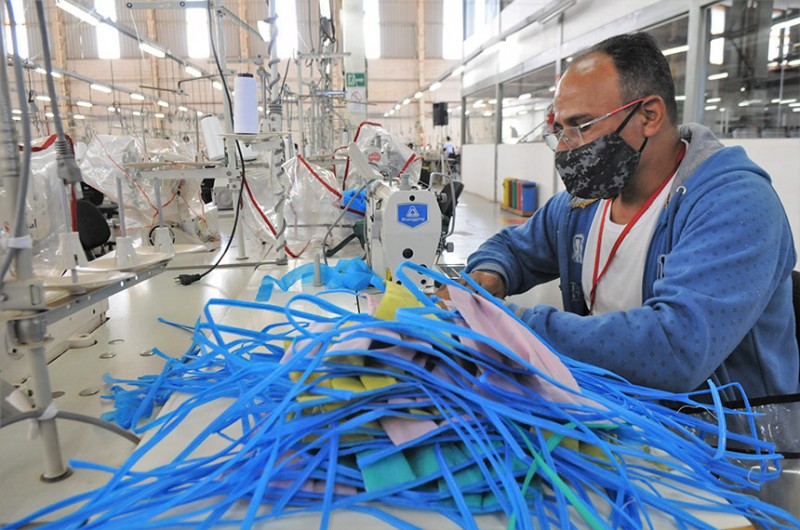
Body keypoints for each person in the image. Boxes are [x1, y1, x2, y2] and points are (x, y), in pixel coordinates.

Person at [439, 33, 799, 401]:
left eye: (581, 126)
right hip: (620, 406)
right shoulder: (585, 203)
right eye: (559, 131)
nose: (565, 147)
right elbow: (513, 248)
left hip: (727, 438)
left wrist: (506, 324)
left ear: (649, 116)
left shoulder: (735, 204)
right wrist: (489, 274)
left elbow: (675, 350)